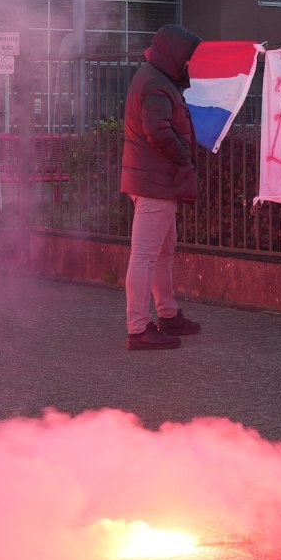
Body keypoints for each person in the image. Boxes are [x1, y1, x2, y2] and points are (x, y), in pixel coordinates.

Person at [120, 23, 204, 351]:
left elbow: (158, 129)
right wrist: (183, 158)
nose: (189, 63)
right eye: (187, 56)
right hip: (155, 181)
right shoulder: (156, 83)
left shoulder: (155, 78)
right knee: (145, 254)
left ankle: (167, 314)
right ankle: (139, 328)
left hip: (155, 179)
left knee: (163, 250)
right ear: (174, 53)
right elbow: (157, 131)